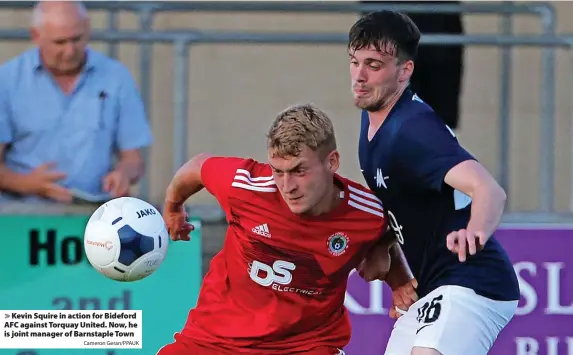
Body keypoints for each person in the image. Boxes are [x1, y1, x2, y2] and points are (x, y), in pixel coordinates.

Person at [159, 104, 417, 355]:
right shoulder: (246, 186)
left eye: (299, 171)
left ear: (332, 161)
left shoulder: (368, 212)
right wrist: (173, 206)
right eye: (278, 171)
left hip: (305, 346)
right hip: (215, 340)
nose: (287, 185)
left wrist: (399, 281)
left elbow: (385, 232)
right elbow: (198, 167)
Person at [348, 11, 520, 355]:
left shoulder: (413, 130)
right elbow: (399, 205)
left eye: (374, 65)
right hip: (435, 286)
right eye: (355, 62)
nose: (360, 76)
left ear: (405, 71)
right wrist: (382, 251)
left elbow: (489, 190)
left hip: (473, 282)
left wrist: (475, 232)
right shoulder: (375, 122)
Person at [0, 1, 152, 204]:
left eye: (77, 39)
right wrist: (28, 183)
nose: (70, 51)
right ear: (36, 36)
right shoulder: (8, 80)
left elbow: (134, 159)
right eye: (59, 42)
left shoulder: (116, 77)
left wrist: (123, 175)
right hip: (22, 217)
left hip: (93, 214)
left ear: (87, 29)